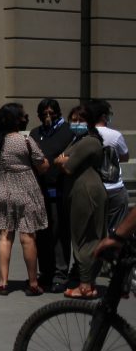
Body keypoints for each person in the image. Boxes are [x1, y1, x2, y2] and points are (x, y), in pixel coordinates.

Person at [0, 103, 49, 295]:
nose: (25, 118)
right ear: (16, 120)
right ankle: (33, 283)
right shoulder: (26, 141)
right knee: (28, 237)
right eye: (22, 116)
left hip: (3, 191)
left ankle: (3, 283)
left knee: (5, 236)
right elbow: (43, 166)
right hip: (26, 192)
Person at [54, 104, 107, 299]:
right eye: (73, 120)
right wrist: (62, 160)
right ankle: (88, 283)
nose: (75, 123)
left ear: (90, 122)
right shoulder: (80, 140)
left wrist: (62, 160)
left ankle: (85, 285)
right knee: (87, 236)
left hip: (86, 192)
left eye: (80, 120)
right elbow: (60, 161)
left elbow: (67, 166)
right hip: (80, 191)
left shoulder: (88, 142)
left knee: (83, 238)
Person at [27, 99, 73, 292]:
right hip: (38, 192)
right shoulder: (35, 133)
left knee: (59, 233)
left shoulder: (69, 132)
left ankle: (60, 274)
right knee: (43, 235)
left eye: (51, 112)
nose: (48, 116)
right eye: (44, 113)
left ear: (57, 112)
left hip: (59, 192)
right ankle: (45, 272)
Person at [87, 98, 129, 233]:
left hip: (91, 188)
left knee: (93, 231)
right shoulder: (115, 135)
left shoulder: (83, 135)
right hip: (114, 188)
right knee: (115, 230)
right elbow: (124, 157)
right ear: (104, 116)